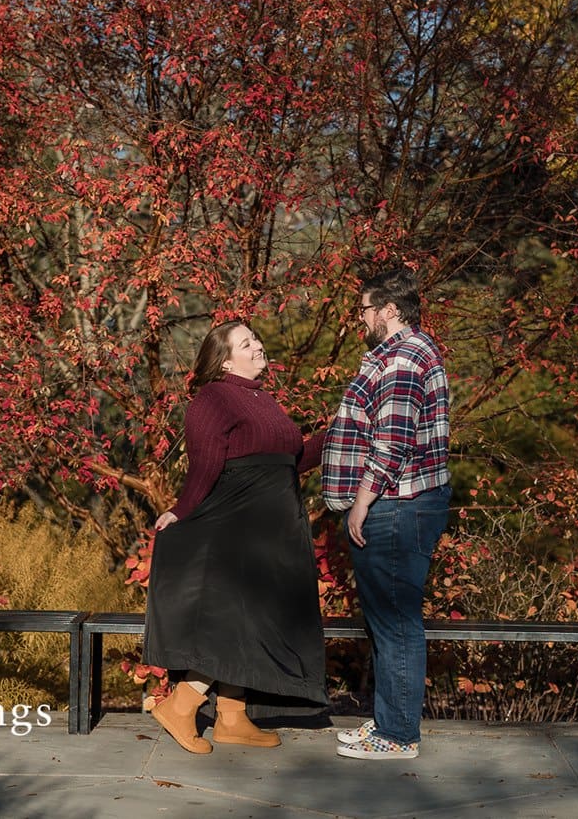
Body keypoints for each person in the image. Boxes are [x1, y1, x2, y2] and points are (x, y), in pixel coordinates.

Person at [142, 320, 327, 754]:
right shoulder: (213, 398)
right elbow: (205, 466)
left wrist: (339, 434)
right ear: (226, 360)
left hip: (270, 531)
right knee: (235, 621)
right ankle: (180, 706)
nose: (259, 345)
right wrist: (180, 511)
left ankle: (231, 717)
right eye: (247, 343)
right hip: (234, 527)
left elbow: (289, 461)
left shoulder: (262, 399)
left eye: (257, 339)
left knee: (257, 618)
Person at [319, 266, 451, 760]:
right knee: (386, 620)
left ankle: (397, 737)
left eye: (365, 310)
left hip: (397, 505)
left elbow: (392, 441)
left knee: (396, 622)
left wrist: (361, 501)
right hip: (403, 502)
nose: (361, 319)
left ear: (389, 311)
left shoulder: (403, 357)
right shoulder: (401, 354)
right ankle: (388, 722)